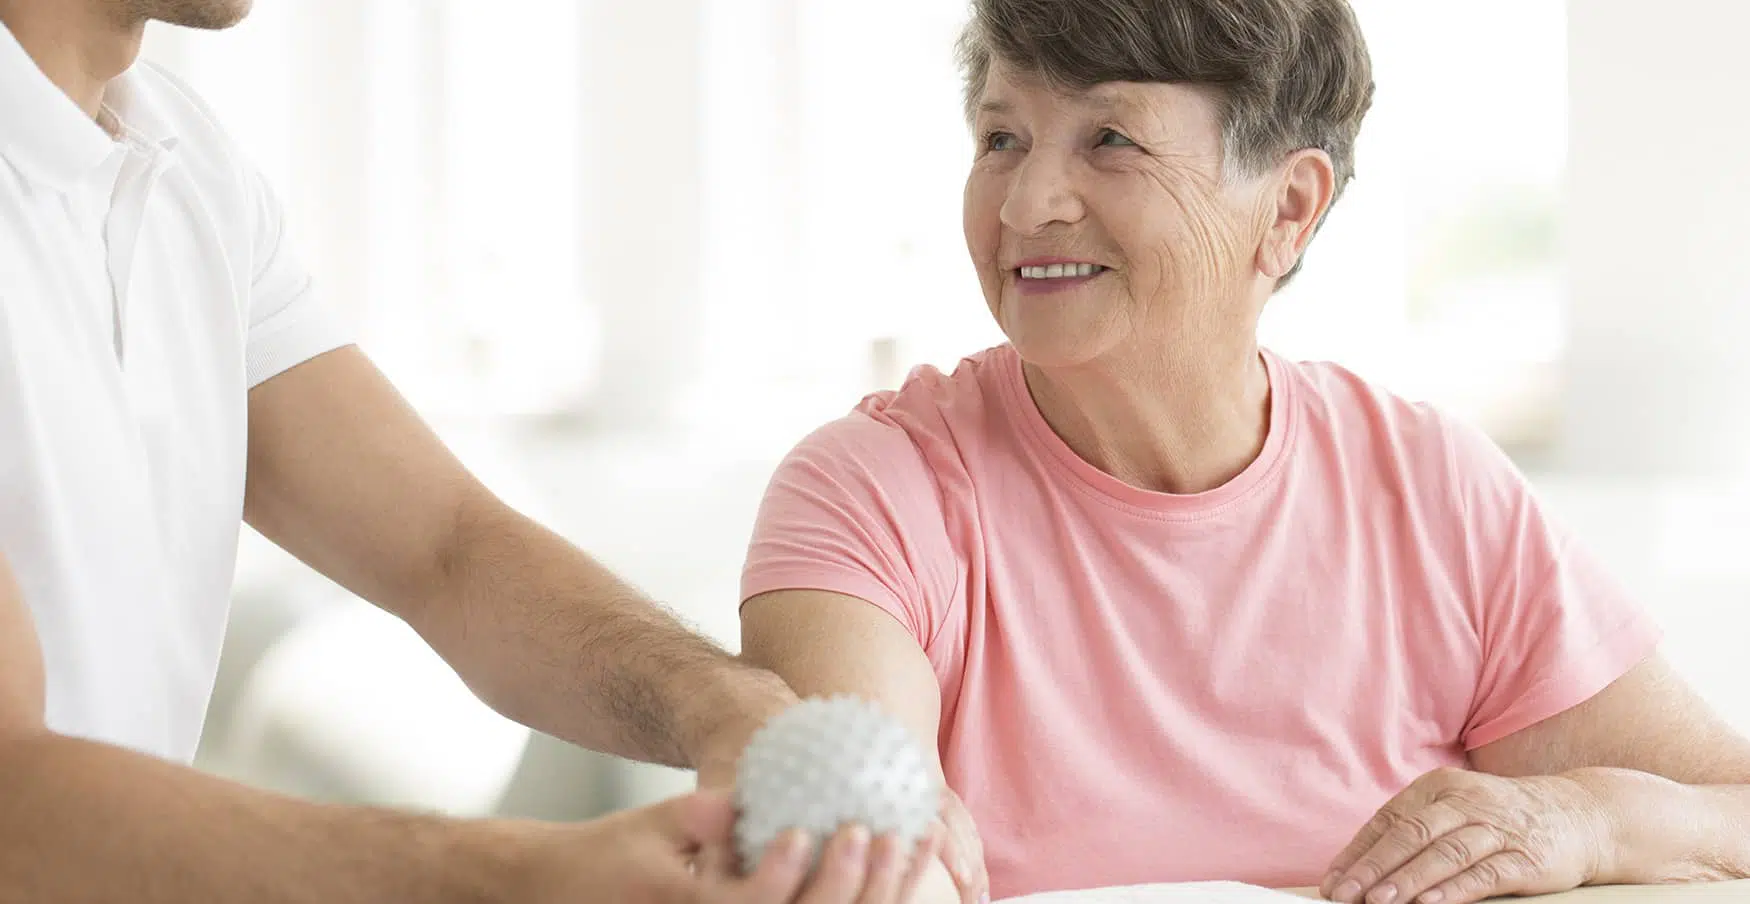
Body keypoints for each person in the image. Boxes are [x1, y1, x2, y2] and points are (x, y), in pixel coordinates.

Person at [734, 1, 1750, 902]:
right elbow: (844, 859)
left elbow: (1732, 810)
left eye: (1110, 139)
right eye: (1001, 136)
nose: (1024, 202)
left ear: (1289, 207)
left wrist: (1583, 817)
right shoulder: (870, 491)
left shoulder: (1433, 489)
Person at [0, 1, 972, 901]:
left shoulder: (186, 169)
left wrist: (728, 708)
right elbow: (13, 794)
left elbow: (444, 545)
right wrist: (529, 873)